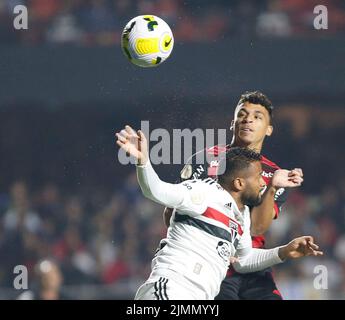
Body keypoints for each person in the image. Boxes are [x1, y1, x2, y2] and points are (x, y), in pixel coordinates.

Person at [115, 125, 322, 300]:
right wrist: (143, 161)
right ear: (239, 183)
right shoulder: (203, 191)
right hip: (171, 289)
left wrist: (284, 251)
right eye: (259, 177)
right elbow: (157, 190)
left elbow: (244, 260)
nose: (262, 182)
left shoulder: (242, 217)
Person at [163, 90, 304, 300]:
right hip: (213, 265)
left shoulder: (276, 174)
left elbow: (256, 228)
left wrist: (273, 187)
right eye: (242, 114)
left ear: (269, 130)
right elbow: (171, 213)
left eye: (258, 116)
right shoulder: (205, 159)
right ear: (232, 123)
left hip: (254, 267)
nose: (248, 119)